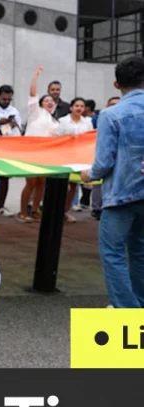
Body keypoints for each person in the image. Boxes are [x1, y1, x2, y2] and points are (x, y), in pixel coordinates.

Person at [81, 56, 144, 308]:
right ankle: (140, 305)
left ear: (116, 84)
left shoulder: (110, 115)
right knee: (140, 252)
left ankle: (127, 310)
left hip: (121, 195)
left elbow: (104, 162)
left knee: (113, 253)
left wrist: (89, 174)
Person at [18, 66, 59, 223]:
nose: (50, 102)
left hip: (45, 154)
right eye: (46, 100)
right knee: (31, 182)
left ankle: (35, 210)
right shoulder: (36, 113)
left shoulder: (54, 121)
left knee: (42, 182)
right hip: (31, 151)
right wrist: (36, 75)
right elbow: (33, 94)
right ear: (41, 104)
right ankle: (23, 212)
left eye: (52, 101)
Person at [57, 97, 93, 223]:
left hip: (79, 156)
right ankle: (55, 210)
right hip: (64, 156)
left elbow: (90, 139)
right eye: (77, 106)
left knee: (73, 184)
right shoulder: (63, 121)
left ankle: (65, 211)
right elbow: (58, 138)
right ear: (71, 107)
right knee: (62, 184)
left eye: (82, 106)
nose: (79, 108)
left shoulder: (87, 122)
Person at [0, 84, 21, 217]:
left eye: (9, 99)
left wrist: (14, 125)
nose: (7, 102)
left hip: (7, 146)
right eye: (4, 99)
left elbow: (18, 130)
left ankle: (1, 206)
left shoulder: (14, 111)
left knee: (5, 177)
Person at [91, 96, 121, 220]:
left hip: (121, 164)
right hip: (103, 157)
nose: (114, 107)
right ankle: (97, 208)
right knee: (98, 185)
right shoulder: (103, 118)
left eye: (117, 104)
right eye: (112, 104)